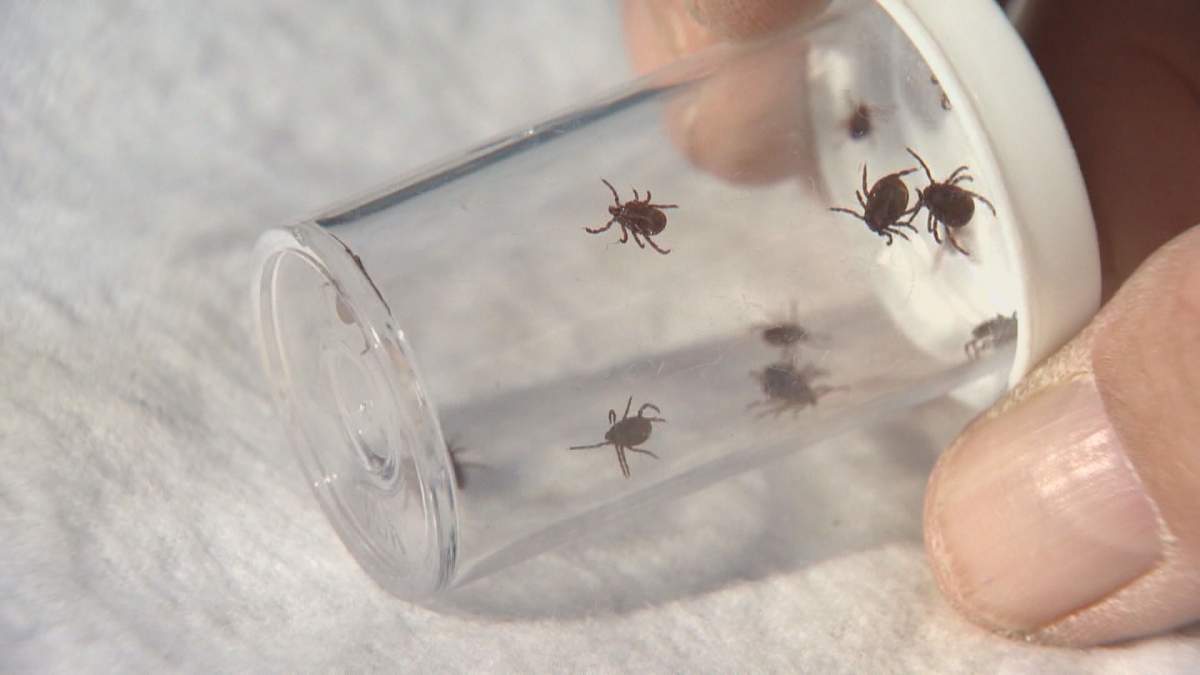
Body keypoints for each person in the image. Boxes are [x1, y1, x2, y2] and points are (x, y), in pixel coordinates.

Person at [624, 0, 1200, 647]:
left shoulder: (908, 199)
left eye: (882, 215)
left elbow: (914, 196)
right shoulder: (903, 200)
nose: (884, 217)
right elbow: (910, 198)